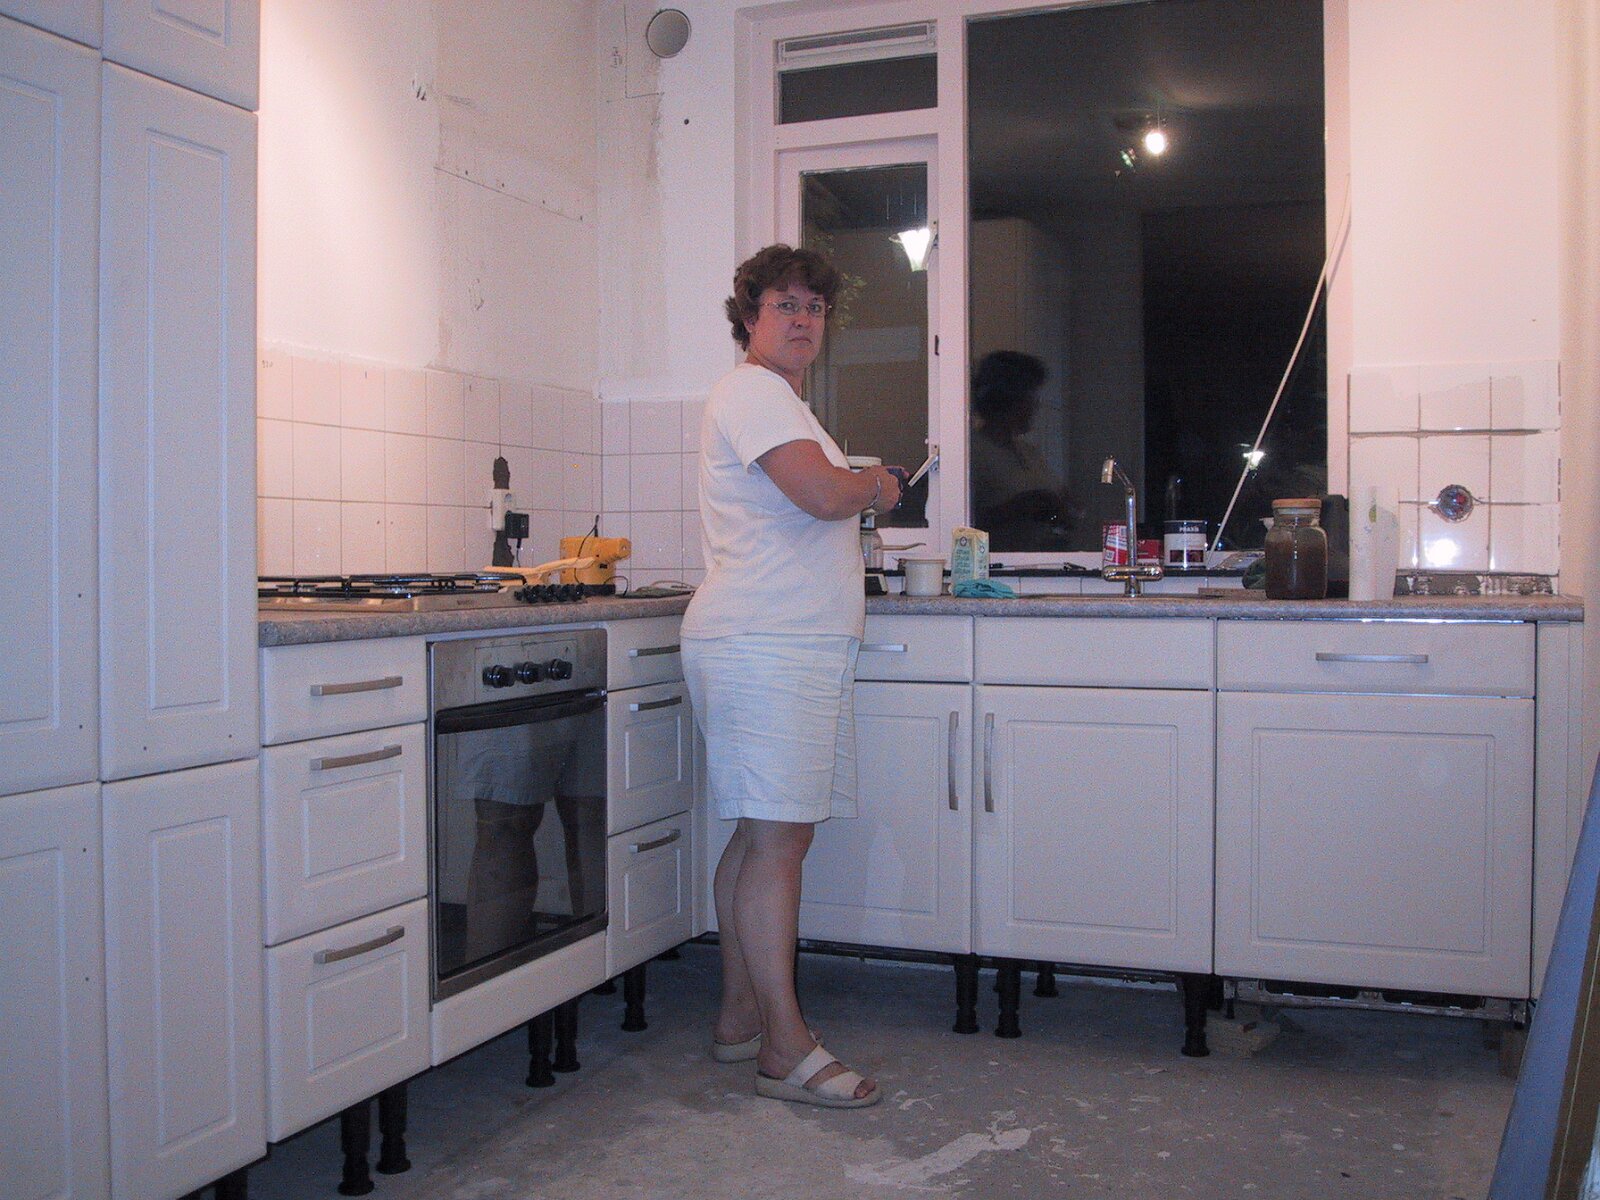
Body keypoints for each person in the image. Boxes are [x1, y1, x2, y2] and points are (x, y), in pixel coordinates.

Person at [681, 244, 902, 1109]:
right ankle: (785, 1045)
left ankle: (741, 1019)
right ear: (749, 317)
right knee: (778, 842)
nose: (803, 319)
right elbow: (820, 494)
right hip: (765, 642)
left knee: (761, 837)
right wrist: (877, 483)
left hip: (780, 641)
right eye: (785, 304)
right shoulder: (752, 393)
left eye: (814, 307)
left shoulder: (779, 400)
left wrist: (854, 483)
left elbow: (811, 493)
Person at [969, 350, 1076, 549]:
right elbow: (958, 522)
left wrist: (1063, 508)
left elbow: (1063, 503)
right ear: (1008, 397)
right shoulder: (971, 454)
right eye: (1030, 395)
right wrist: (1016, 508)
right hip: (995, 563)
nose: (1035, 405)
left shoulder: (1029, 453)